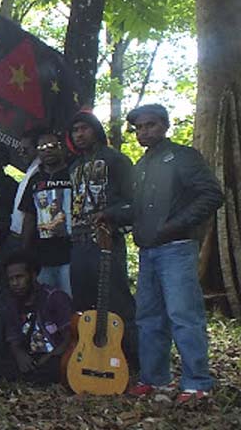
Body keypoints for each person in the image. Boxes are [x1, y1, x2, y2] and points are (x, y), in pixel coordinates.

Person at [106, 104, 223, 403]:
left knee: (184, 315)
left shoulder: (183, 157)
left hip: (177, 248)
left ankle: (197, 383)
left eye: (151, 125)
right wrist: (110, 215)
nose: (145, 131)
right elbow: (137, 208)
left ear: (165, 126)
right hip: (148, 251)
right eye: (140, 128)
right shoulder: (141, 166)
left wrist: (175, 225)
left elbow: (212, 193)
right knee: (149, 317)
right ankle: (155, 379)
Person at [68, 110, 138, 367]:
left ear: (96, 129)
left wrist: (109, 214)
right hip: (79, 243)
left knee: (117, 302)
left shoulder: (116, 160)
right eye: (75, 130)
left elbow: (133, 203)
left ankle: (130, 360)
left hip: (107, 242)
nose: (79, 134)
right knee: (84, 306)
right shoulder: (73, 166)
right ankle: (89, 360)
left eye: (84, 128)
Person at [3, 250, 74, 385]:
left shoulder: (55, 297)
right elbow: (13, 338)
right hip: (30, 357)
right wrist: (19, 355)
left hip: (54, 355)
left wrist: (48, 357)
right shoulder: (11, 303)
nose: (15, 283)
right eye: (11, 279)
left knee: (58, 367)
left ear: (33, 275)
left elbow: (70, 337)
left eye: (19, 277)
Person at [17, 132, 73, 295]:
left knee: (71, 302)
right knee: (45, 301)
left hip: (71, 253)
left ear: (61, 147)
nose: (47, 151)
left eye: (51, 146)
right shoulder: (34, 180)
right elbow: (29, 215)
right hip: (42, 256)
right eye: (41, 148)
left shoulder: (74, 173)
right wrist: (24, 250)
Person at [7, 130, 43, 259]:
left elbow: (29, 214)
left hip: (25, 237)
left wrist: (24, 247)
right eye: (20, 149)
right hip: (16, 234)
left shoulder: (39, 171)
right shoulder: (32, 169)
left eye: (26, 149)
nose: (22, 153)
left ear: (37, 149)